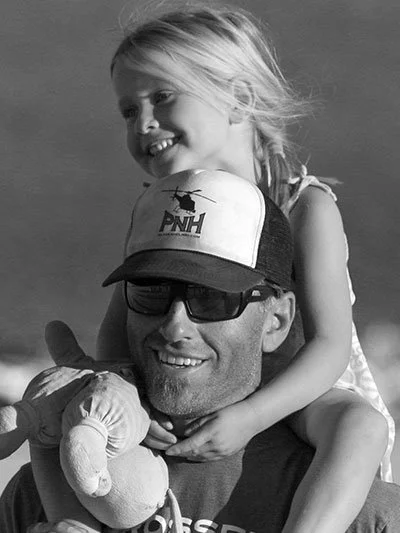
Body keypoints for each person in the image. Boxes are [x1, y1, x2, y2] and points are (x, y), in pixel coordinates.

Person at [0, 3, 395, 532]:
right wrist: (132, 397)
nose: (144, 123)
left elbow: (329, 347)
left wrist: (251, 417)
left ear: (240, 99)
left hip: (294, 390)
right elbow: (121, 326)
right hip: (184, 381)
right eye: (128, 111)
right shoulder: (158, 206)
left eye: (162, 97)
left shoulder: (303, 205)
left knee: (359, 427)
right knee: (72, 421)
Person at [1, 169, 400, 533]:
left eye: (212, 298)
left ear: (276, 321)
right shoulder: (45, 493)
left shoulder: (364, 517)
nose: (174, 326)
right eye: (151, 291)